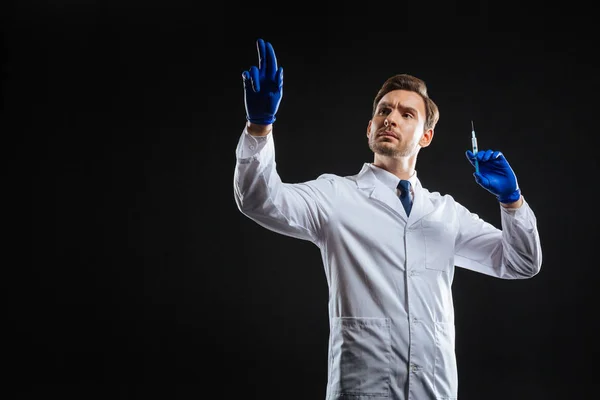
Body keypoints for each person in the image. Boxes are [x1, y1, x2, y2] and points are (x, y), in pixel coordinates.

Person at [233, 38, 542, 400]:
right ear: (369, 129)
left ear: (426, 136)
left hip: (435, 390)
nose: (391, 118)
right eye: (384, 111)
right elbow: (259, 199)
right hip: (363, 391)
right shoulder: (336, 196)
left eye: (406, 114)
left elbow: (522, 262)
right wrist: (259, 127)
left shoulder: (445, 214)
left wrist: (511, 200)